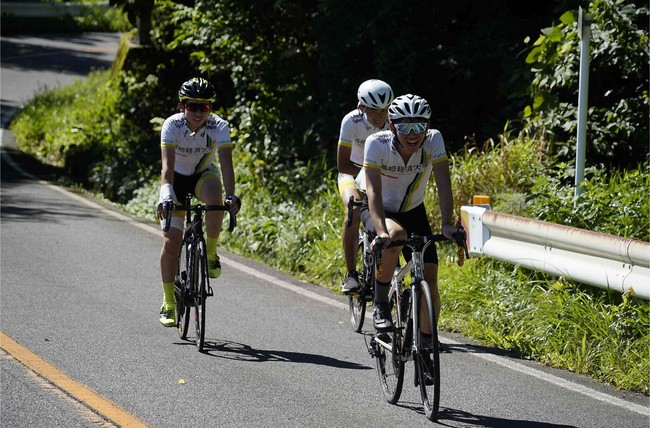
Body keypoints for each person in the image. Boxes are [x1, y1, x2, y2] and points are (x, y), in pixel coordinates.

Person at [358, 94, 456, 333]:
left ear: (428, 126)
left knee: (430, 284)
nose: (413, 133)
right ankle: (381, 303)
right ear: (392, 126)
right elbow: (372, 191)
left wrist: (446, 224)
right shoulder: (376, 143)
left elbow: (444, 183)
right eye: (405, 127)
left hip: (414, 211)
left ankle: (424, 344)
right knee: (394, 235)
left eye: (420, 126)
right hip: (378, 208)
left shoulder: (434, 140)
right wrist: (380, 232)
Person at [156, 77, 241, 327]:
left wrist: (232, 195)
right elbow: (167, 168)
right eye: (192, 106)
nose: (197, 112)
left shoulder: (219, 126)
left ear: (210, 108)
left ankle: (211, 252)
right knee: (171, 241)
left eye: (203, 107)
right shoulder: (171, 125)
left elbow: (226, 163)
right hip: (176, 180)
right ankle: (169, 300)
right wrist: (166, 195)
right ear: (182, 106)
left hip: (203, 176)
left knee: (216, 198)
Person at [337, 79, 394, 295]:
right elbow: (342, 164)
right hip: (352, 173)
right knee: (353, 210)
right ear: (362, 107)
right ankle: (351, 274)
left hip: (380, 175)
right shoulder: (351, 122)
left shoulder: (394, 121)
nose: (380, 116)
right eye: (374, 110)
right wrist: (367, 176)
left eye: (384, 110)